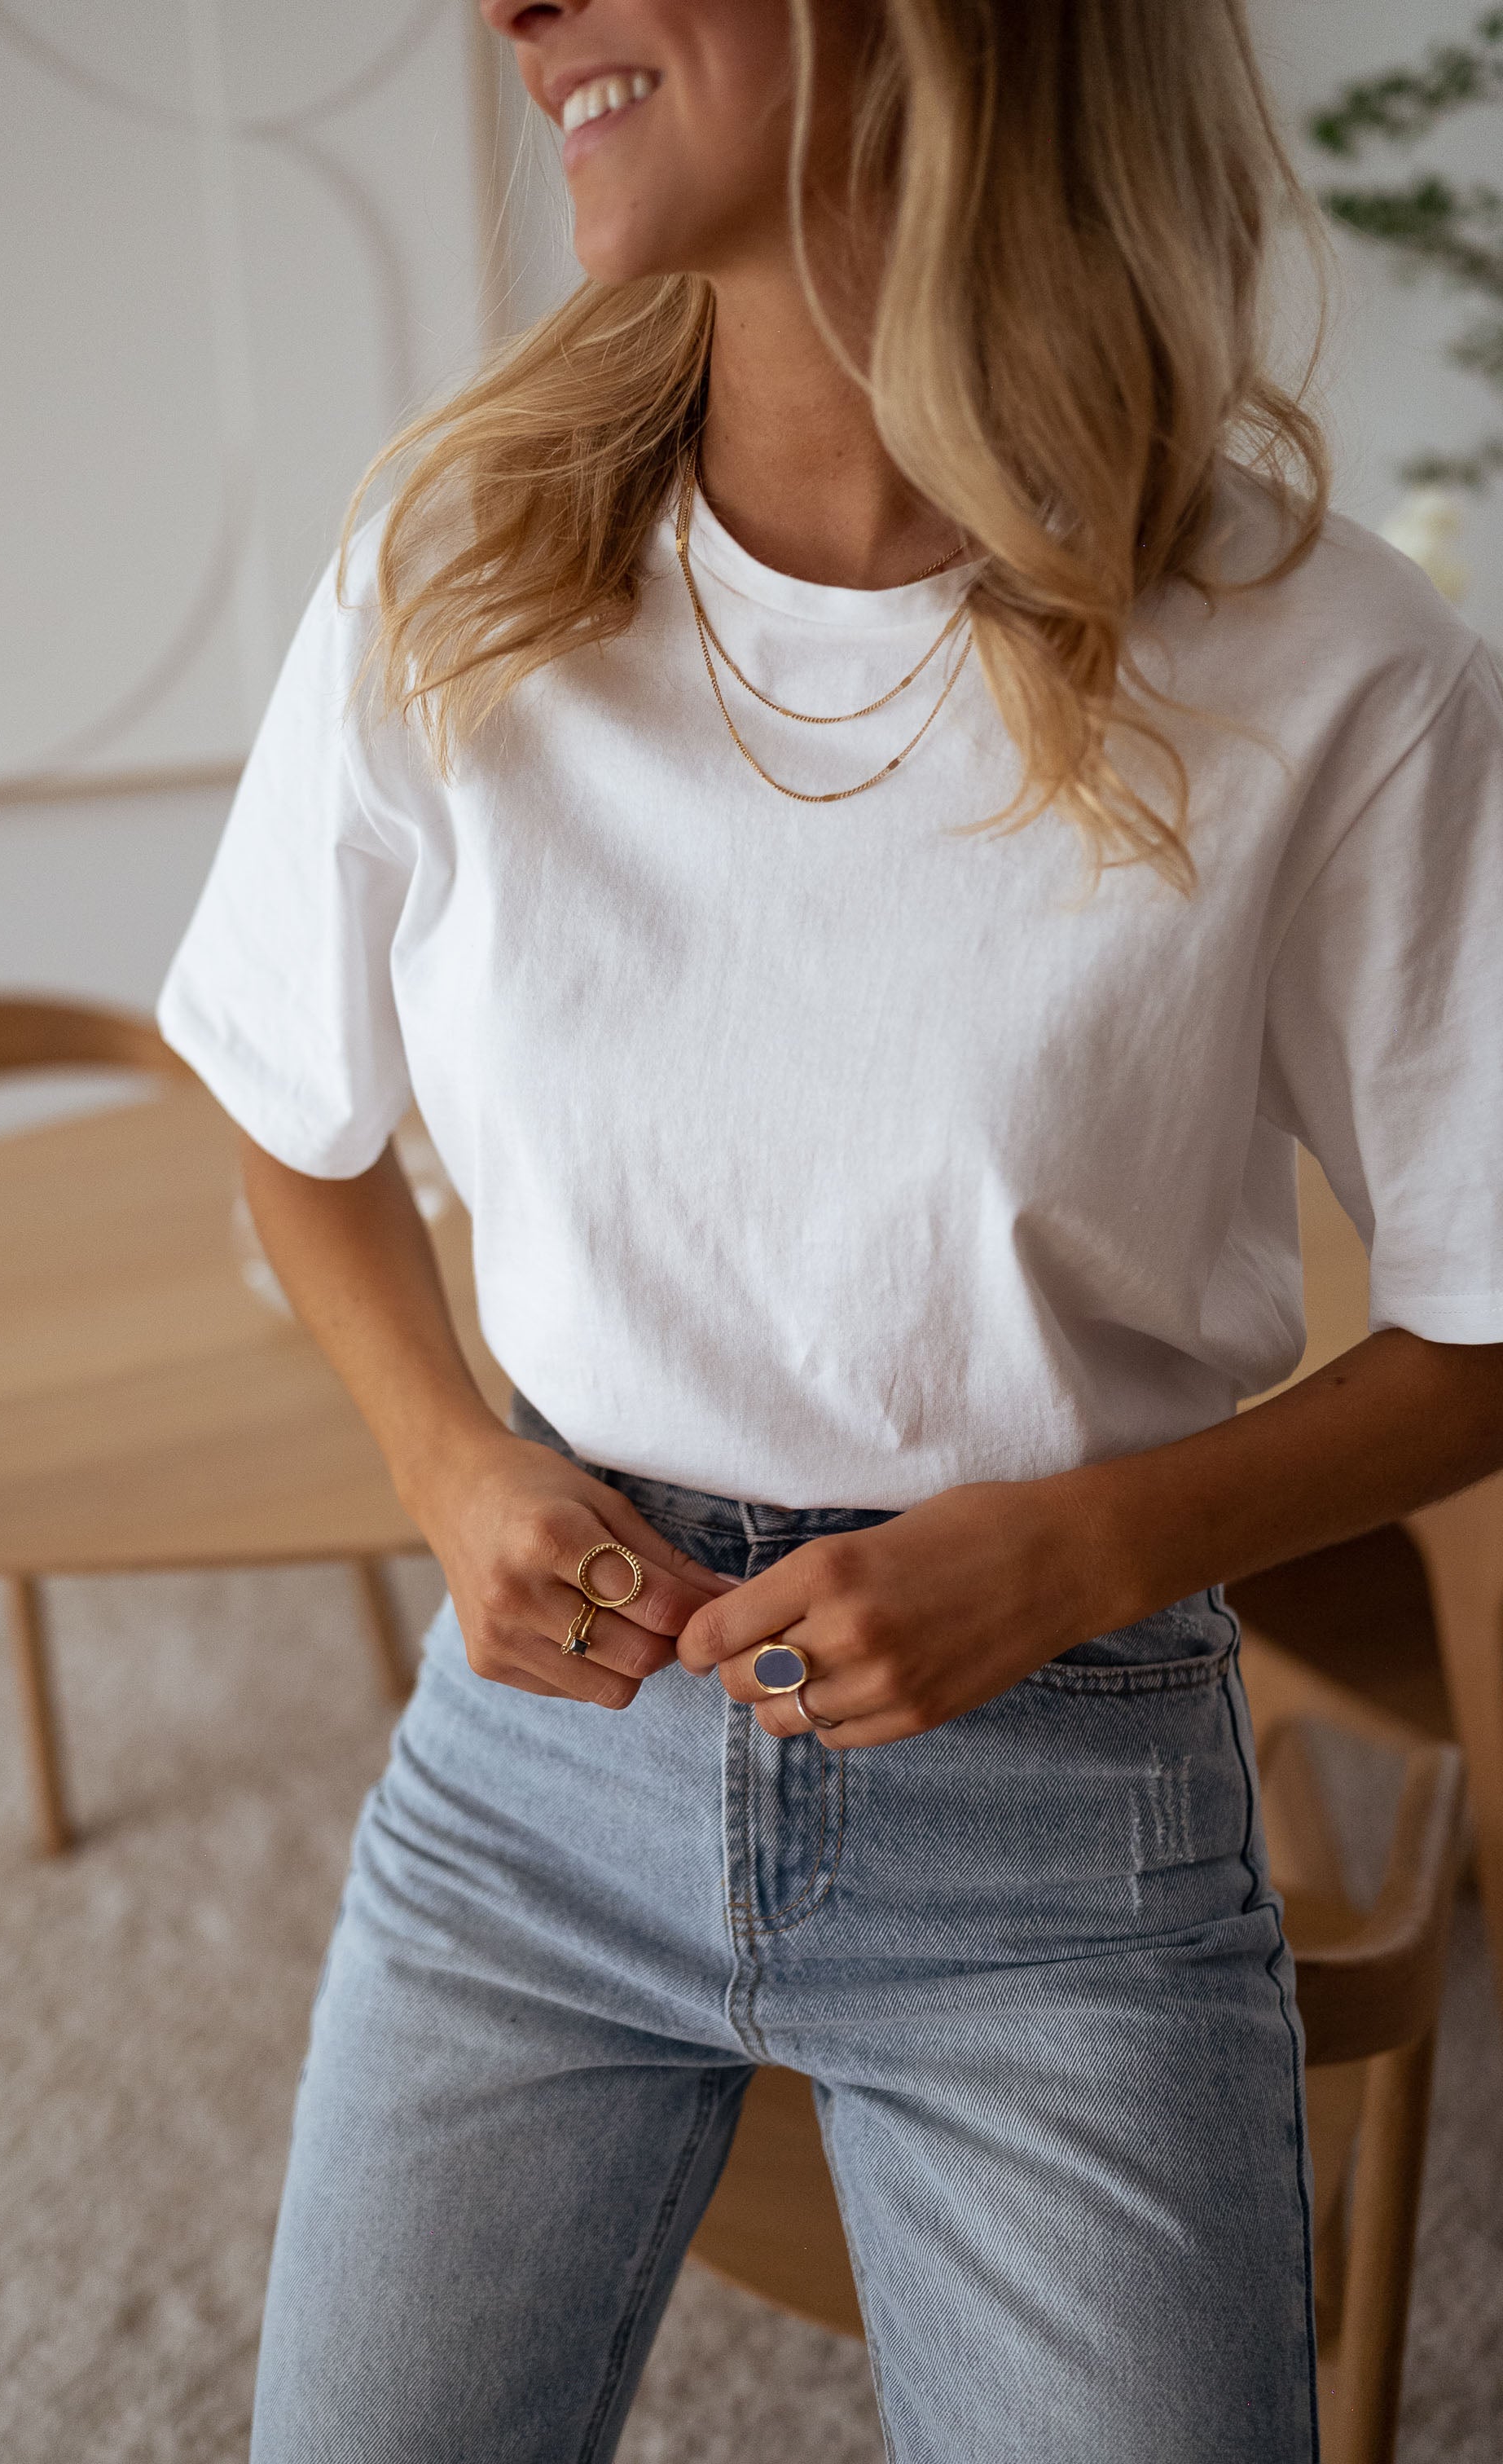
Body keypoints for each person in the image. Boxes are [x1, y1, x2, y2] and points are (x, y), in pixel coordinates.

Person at [156, 3, 1503, 2457]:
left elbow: (1492, 1316)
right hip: (536, 1784)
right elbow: (283, 1106)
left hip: (1063, 1817)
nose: (515, 9)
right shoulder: (452, 572)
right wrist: (454, 1467)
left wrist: (1087, 1551)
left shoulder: (1335, 669)